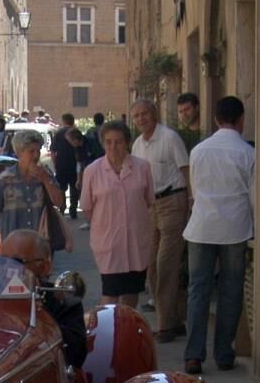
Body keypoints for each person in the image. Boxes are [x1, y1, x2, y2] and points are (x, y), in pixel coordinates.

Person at [183, 96, 255, 375]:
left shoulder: (199, 151)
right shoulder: (248, 153)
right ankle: (224, 353)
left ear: (215, 120)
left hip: (202, 226)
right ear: (241, 119)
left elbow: (196, 189)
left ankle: (193, 355)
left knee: (197, 291)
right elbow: (253, 197)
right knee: (231, 291)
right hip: (235, 228)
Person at [131, 98, 191, 343]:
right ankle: (175, 320)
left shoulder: (170, 138)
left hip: (173, 203)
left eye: (145, 114)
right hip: (151, 208)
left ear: (154, 114)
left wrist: (191, 205)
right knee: (153, 266)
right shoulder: (137, 145)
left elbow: (187, 172)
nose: (141, 119)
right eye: (136, 116)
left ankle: (165, 325)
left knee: (166, 264)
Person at [79, 121, 154, 308]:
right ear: (103, 143)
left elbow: (148, 201)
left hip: (136, 241)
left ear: (127, 142)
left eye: (118, 141)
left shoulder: (142, 167)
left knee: (131, 292)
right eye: (108, 142)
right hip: (108, 241)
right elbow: (87, 208)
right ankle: (105, 333)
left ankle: (126, 333)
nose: (113, 147)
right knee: (110, 293)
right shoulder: (93, 171)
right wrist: (104, 224)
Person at [0, 230, 86, 369]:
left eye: (16, 262)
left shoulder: (61, 299)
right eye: (3, 261)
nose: (6, 268)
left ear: (45, 267)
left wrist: (35, 307)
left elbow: (76, 355)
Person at [0, 129, 66, 248]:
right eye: (31, 151)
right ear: (19, 153)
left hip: (41, 246)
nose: (36, 155)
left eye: (38, 151)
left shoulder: (46, 174)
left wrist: (46, 180)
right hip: (13, 246)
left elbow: (59, 202)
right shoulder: (5, 179)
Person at [50, 113, 82, 220]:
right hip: (74, 164)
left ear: (63, 121)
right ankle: (73, 209)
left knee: (61, 188)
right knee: (74, 188)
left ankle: (62, 209)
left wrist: (55, 164)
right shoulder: (77, 132)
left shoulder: (59, 134)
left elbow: (53, 151)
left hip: (61, 164)